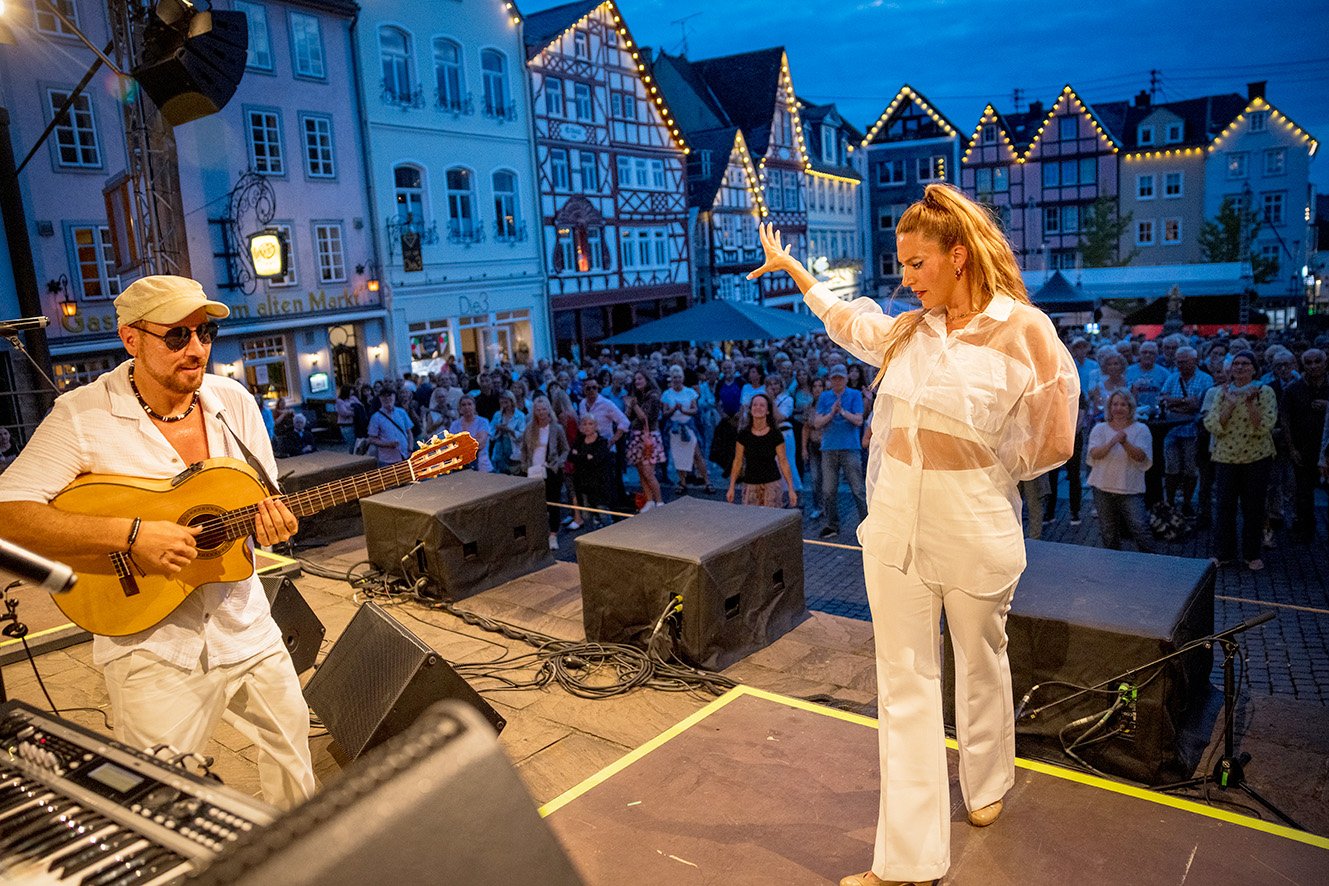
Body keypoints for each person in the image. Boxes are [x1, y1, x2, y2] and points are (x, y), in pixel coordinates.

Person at [748, 182, 1078, 886]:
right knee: (903, 685)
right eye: (900, 266)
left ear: (958, 257)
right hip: (893, 526)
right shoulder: (907, 331)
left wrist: (987, 469)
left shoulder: (1023, 330)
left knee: (981, 659)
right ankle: (907, 860)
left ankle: (986, 782)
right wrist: (796, 272)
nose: (904, 279)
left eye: (915, 264)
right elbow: (847, 319)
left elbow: (1052, 435)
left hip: (974, 527)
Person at [0, 275, 315, 808]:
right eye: (176, 337)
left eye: (205, 332)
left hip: (247, 627)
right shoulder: (83, 415)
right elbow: (9, 514)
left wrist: (275, 523)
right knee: (153, 798)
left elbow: (264, 496)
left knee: (294, 767)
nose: (196, 350)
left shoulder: (231, 401)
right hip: (151, 648)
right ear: (131, 339)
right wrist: (131, 534)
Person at [1204, 350, 1277, 570]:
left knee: (1253, 507)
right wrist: (1230, 404)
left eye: (1245, 364)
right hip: (1226, 457)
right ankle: (1223, 553)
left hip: (1256, 457)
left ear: (1254, 368)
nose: (1240, 368)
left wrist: (1251, 403)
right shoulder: (1221, 392)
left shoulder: (1265, 391)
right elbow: (1213, 425)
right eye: (1236, 364)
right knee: (1224, 506)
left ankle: (1251, 554)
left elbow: (1264, 426)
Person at [1087, 390, 1154, 552]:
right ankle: (1112, 566)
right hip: (1102, 488)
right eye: (1115, 404)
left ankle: (1151, 563)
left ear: (1130, 407)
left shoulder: (1142, 429)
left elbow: (1141, 457)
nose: (1118, 408)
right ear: (1109, 408)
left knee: (1140, 528)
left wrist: (1125, 443)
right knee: (1108, 531)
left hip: (1130, 488)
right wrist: (1112, 442)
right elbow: (1094, 454)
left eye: (1123, 404)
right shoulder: (1099, 428)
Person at [813, 364, 867, 539]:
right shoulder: (824, 397)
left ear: (845, 379)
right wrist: (831, 413)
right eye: (834, 378)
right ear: (830, 379)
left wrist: (841, 411)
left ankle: (866, 524)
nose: (837, 381)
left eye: (840, 378)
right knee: (828, 490)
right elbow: (817, 423)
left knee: (857, 489)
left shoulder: (855, 395)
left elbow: (859, 420)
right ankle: (832, 524)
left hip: (850, 447)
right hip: (829, 448)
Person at [1159, 346, 1214, 516]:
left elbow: (1200, 404)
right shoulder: (1172, 378)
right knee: (1171, 468)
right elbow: (1164, 400)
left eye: (1184, 362)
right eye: (1178, 362)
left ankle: (1188, 502)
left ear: (1194, 361)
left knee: (1190, 469)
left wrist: (1177, 404)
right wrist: (1185, 401)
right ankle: (1170, 501)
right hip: (1172, 431)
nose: (1180, 365)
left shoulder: (1206, 380)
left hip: (1193, 432)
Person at [1283, 349, 1328, 540]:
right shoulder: (1293, 389)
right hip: (1304, 448)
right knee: (1303, 492)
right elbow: (1285, 420)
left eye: (1317, 361)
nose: (1313, 366)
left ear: (1325, 363)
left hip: (1327, 448)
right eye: (1308, 363)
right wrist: (1292, 448)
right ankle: (1306, 529)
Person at [726, 392, 796, 508]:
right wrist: (731, 487)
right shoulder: (744, 434)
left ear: (768, 411)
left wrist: (790, 488)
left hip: (772, 483)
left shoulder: (775, 434)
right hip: (751, 483)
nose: (758, 408)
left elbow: (783, 461)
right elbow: (738, 461)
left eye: (762, 405)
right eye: (755, 405)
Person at [519, 396, 570, 550]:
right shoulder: (529, 428)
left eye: (544, 409)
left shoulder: (557, 428)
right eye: (538, 409)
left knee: (553, 503)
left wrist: (558, 463)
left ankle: (553, 534)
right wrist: (524, 465)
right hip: (533, 471)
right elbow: (523, 449)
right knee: (535, 504)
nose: (541, 412)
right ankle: (539, 534)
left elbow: (565, 449)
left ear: (549, 409)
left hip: (551, 471)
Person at [624, 370, 666, 511]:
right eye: (635, 379)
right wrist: (630, 406)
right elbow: (628, 418)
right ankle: (649, 500)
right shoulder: (637, 396)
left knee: (648, 472)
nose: (637, 382)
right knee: (641, 471)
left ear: (647, 380)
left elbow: (645, 417)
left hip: (648, 437)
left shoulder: (653, 397)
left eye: (640, 379)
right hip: (636, 436)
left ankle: (659, 501)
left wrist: (634, 405)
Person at [569, 413, 614, 529]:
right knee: (586, 515)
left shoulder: (601, 442)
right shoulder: (579, 441)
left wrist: (580, 456)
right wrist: (586, 457)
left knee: (603, 514)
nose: (587, 427)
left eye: (590, 424)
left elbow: (596, 460)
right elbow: (571, 457)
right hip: (583, 485)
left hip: (599, 486)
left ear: (595, 426)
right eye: (584, 424)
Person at [367, 388, 415, 466]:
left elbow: (409, 432)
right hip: (387, 459)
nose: (387, 399)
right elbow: (372, 439)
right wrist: (388, 444)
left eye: (390, 396)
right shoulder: (376, 417)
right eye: (384, 397)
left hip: (404, 455)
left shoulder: (401, 412)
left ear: (394, 397)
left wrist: (410, 448)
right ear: (380, 398)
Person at [450, 395, 493, 473]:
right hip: (460, 468)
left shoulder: (483, 422)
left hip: (482, 467)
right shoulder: (455, 425)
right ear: (460, 408)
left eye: (469, 404)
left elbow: (481, 443)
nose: (467, 407)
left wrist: (461, 443)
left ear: (474, 406)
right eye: (463, 405)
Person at [489, 390, 526, 475]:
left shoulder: (520, 416)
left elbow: (522, 434)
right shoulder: (497, 415)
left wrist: (509, 430)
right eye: (502, 402)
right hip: (499, 449)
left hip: (514, 449)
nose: (504, 404)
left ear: (511, 401)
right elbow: (491, 433)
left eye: (506, 401)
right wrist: (498, 429)